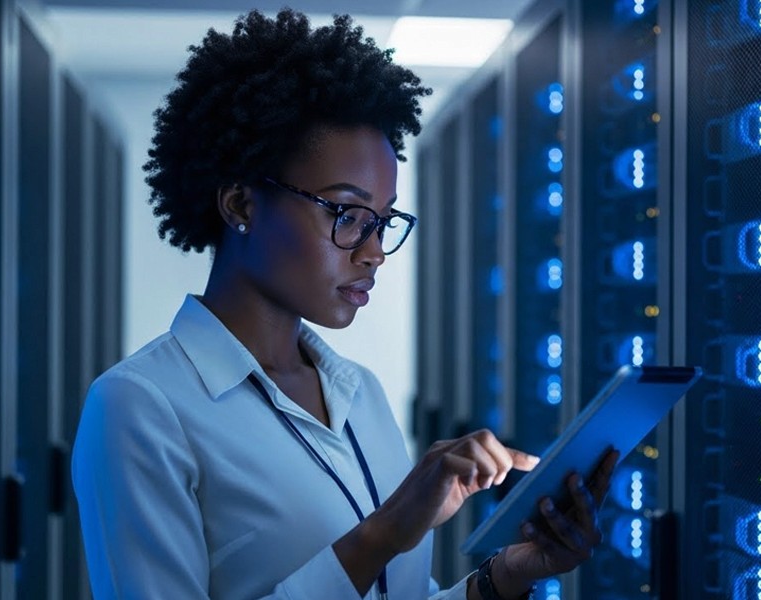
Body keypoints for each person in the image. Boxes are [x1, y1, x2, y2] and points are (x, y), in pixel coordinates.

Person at [71, 10, 617, 599]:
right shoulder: (140, 407)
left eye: (383, 222)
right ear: (241, 205)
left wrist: (507, 575)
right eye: (348, 215)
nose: (376, 252)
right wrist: (383, 533)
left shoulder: (362, 395)